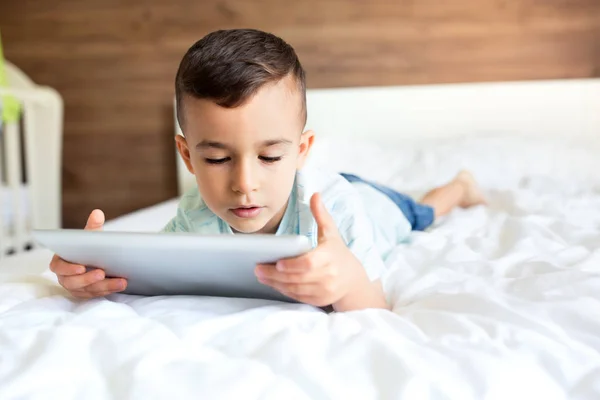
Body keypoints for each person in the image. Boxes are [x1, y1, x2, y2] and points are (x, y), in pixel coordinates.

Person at [49, 29, 485, 312]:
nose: (244, 184)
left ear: (302, 149)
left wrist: (348, 279)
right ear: (187, 156)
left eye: (270, 157)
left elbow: (375, 308)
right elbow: (156, 273)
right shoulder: (194, 214)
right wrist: (96, 274)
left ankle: (458, 187)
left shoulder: (339, 210)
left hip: (373, 204)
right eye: (217, 159)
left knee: (420, 214)